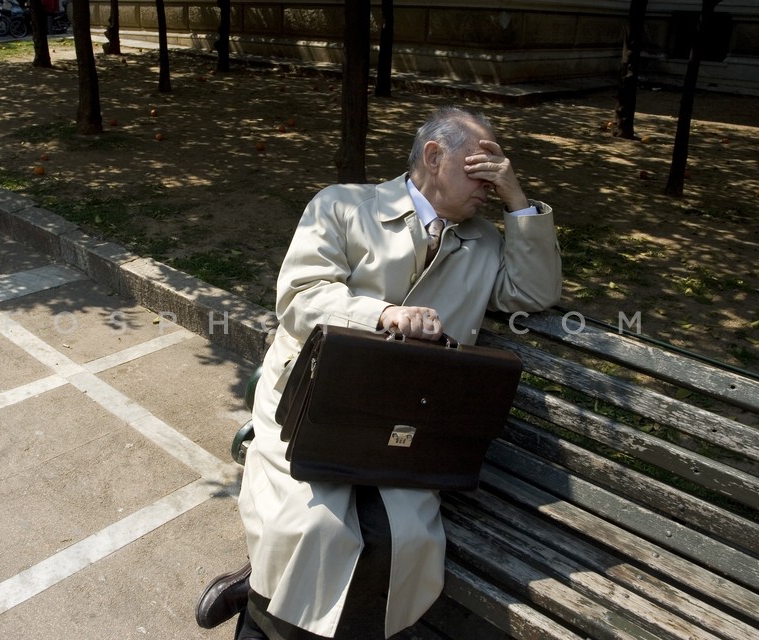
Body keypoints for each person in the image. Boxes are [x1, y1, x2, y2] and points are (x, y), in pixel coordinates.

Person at [197, 106, 562, 639]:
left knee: (403, 540)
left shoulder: (484, 242)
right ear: (434, 157)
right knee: (311, 526)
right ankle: (258, 615)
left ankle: (269, 590)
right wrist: (381, 315)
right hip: (310, 409)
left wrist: (518, 200)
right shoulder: (343, 205)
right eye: (480, 170)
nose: (490, 184)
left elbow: (534, 293)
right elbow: (299, 296)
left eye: (497, 175)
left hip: (406, 429)